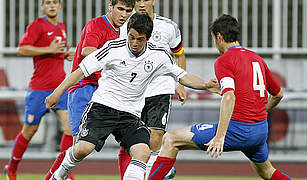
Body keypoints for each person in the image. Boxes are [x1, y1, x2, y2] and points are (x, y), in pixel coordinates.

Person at [45, 13, 219, 180]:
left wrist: (205, 85)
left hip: (130, 115)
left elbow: (183, 76)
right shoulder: (113, 48)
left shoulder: (159, 55)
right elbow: (81, 71)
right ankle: (58, 175)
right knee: (82, 149)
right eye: (131, 37)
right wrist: (57, 92)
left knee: (143, 152)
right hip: (103, 107)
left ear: (148, 38)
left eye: (140, 39)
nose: (134, 43)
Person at [147, 14, 293, 180]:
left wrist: (220, 137)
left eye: (214, 39)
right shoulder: (257, 59)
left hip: (237, 130)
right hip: (259, 131)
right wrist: (260, 111)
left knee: (170, 139)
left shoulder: (225, 60)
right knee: (267, 171)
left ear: (219, 36)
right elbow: (278, 94)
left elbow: (229, 97)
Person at [44, 0, 136, 179]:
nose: (124, 15)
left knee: (130, 140)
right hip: (84, 88)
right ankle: (52, 177)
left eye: (128, 11)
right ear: (110, 6)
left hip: (108, 92)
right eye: (120, 9)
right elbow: (88, 50)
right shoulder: (97, 24)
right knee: (80, 146)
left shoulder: (126, 31)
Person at [3, 0, 75, 180]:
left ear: (60, 5)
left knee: (69, 129)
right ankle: (11, 168)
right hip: (39, 89)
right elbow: (21, 49)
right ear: (42, 6)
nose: (51, 6)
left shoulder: (61, 27)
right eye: (47, 3)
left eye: (55, 2)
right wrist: (48, 49)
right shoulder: (37, 26)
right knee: (29, 131)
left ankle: (63, 171)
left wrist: (65, 54)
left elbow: (55, 53)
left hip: (59, 87)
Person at [118, 0, 187, 179]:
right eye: (137, 0)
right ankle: (151, 171)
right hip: (134, 90)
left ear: (153, 1)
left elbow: (179, 54)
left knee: (155, 136)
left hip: (160, 88)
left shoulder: (168, 26)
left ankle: (153, 173)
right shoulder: (123, 26)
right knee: (132, 140)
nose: (141, 4)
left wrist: (180, 83)